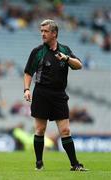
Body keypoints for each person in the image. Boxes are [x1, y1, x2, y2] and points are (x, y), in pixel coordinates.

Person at [24, 19, 87, 171]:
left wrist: (66, 58)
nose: (42, 34)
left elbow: (79, 65)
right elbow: (28, 72)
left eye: (45, 31)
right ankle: (39, 163)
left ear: (54, 33)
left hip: (59, 95)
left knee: (65, 131)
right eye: (41, 31)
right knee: (40, 130)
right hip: (41, 93)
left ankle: (75, 164)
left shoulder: (65, 50)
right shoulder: (38, 51)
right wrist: (26, 89)